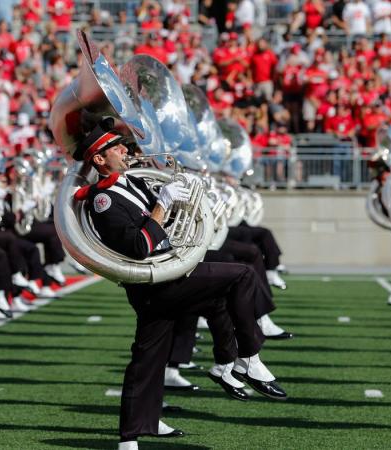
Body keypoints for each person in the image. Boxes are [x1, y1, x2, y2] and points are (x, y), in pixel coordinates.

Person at [73, 118, 286, 450]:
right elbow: (140, 245)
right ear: (98, 160)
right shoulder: (104, 201)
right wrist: (163, 203)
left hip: (165, 274)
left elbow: (166, 223)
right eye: (115, 148)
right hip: (156, 283)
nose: (125, 150)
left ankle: (132, 435)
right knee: (240, 275)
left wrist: (191, 199)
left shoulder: (132, 183)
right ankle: (247, 359)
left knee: (148, 357)